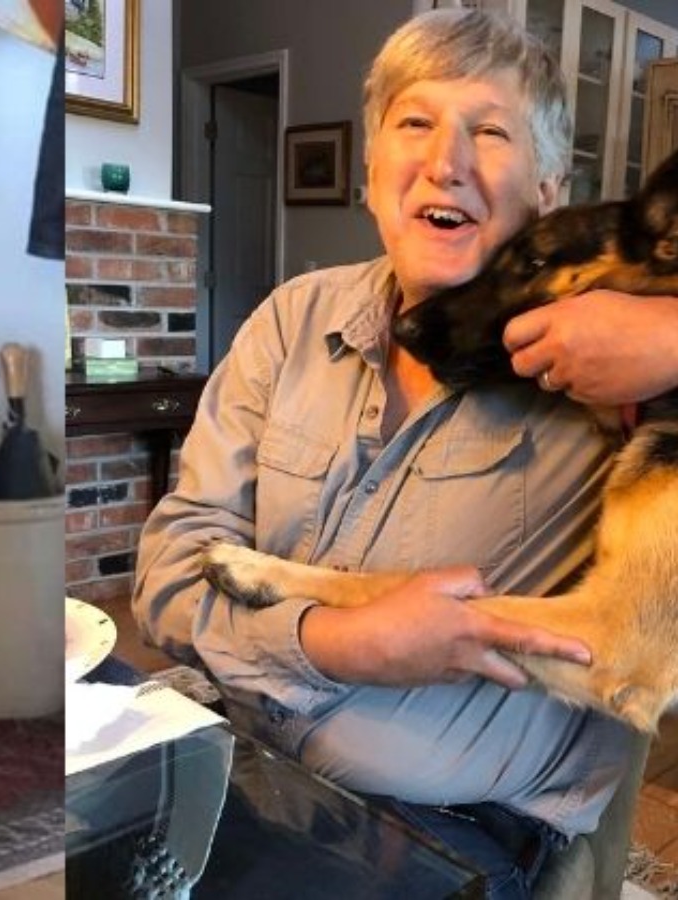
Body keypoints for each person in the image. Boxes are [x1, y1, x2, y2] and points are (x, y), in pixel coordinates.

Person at [133, 9, 678, 898]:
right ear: (371, 173)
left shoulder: (609, 360)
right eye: (414, 122)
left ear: (549, 188)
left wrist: (672, 335)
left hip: (447, 841)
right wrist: (338, 641)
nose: (446, 160)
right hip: (234, 765)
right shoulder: (291, 320)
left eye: (491, 130)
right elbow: (170, 569)